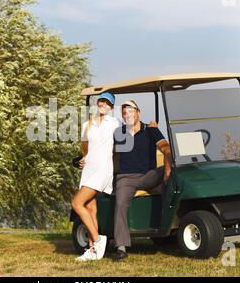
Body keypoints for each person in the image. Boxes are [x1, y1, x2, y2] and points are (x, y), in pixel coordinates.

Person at [112, 100, 172, 261]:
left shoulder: (150, 129)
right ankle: (121, 247)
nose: (128, 115)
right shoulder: (119, 133)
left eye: (131, 111)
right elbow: (107, 153)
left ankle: (168, 225)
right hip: (126, 178)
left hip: (148, 175)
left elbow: (166, 148)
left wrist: (167, 169)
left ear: (138, 112)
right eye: (124, 113)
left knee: (173, 174)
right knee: (120, 204)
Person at [71, 92, 119, 261]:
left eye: (107, 103)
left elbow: (116, 147)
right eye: (101, 101)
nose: (103, 105)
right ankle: (93, 251)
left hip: (102, 169)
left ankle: (98, 240)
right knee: (91, 209)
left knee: (76, 203)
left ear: (112, 107)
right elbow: (86, 147)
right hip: (88, 170)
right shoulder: (87, 124)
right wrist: (82, 160)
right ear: (97, 103)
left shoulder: (113, 123)